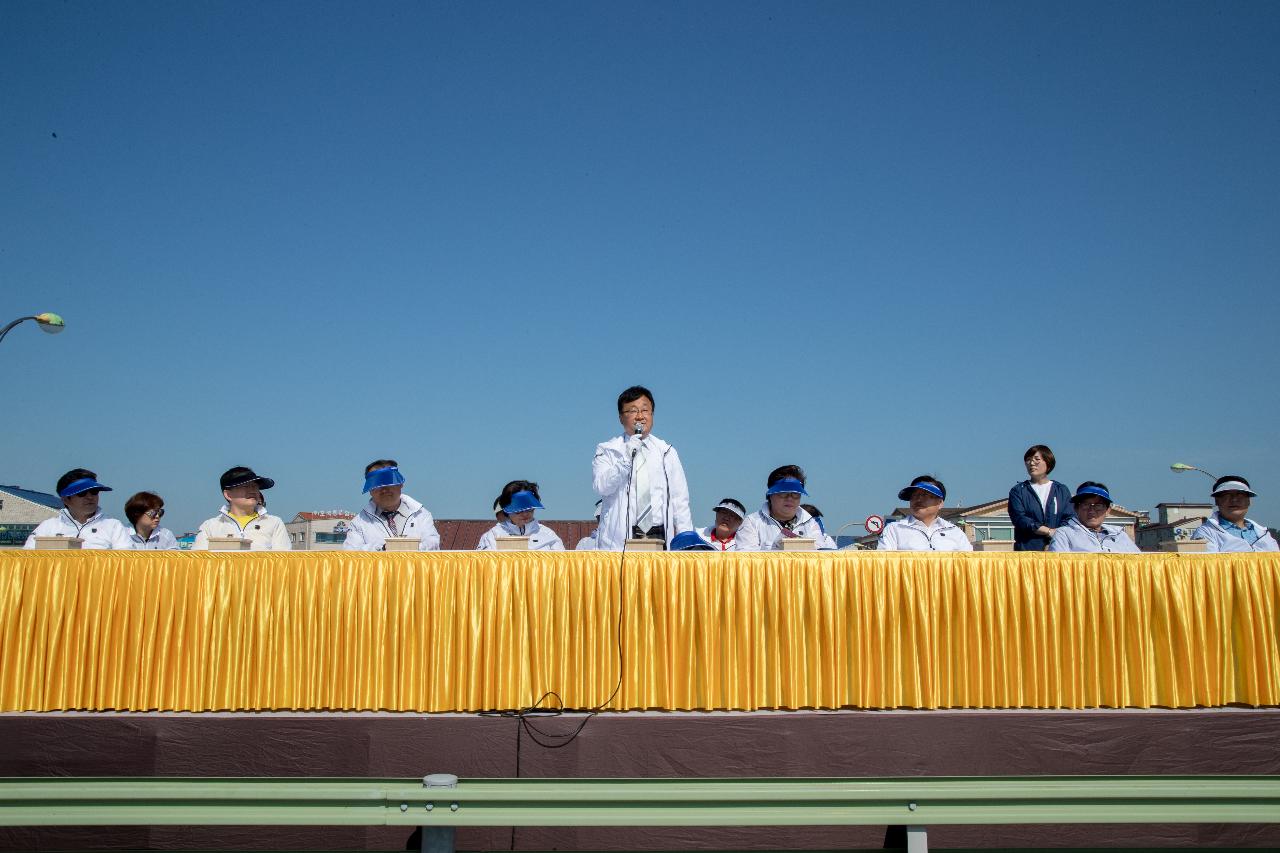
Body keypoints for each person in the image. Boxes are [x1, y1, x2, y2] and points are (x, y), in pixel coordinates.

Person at [592, 385, 693, 550]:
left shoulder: (666, 451)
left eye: (645, 410)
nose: (640, 416)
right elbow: (601, 486)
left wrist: (686, 540)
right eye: (632, 411)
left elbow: (680, 501)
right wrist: (627, 457)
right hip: (620, 539)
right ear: (620, 417)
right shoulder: (607, 449)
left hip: (658, 535)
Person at [343, 459, 441, 551]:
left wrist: (407, 549)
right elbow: (350, 553)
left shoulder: (421, 515)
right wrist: (383, 549)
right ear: (370, 490)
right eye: (377, 484)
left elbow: (433, 544)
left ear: (400, 484)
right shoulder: (359, 523)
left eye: (389, 482)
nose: (384, 489)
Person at [23, 468, 131, 549]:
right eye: (82, 493)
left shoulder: (113, 526)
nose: (90, 497)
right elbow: (28, 558)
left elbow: (126, 563)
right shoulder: (48, 527)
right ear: (65, 500)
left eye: (94, 492)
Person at [194, 466, 291, 551]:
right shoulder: (210, 527)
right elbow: (198, 563)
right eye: (245, 486)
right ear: (228, 494)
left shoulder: (274, 523)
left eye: (255, 486)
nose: (252, 490)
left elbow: (283, 562)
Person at [736, 465, 826, 551]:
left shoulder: (811, 524)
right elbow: (746, 559)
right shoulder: (752, 523)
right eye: (783, 492)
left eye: (795, 493)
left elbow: (821, 556)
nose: (790, 498)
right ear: (770, 495)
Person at [877, 476, 973, 552]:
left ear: (940, 503)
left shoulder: (954, 532)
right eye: (914, 495)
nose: (918, 499)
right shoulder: (894, 529)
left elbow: (970, 565)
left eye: (924, 495)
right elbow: (883, 565)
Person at [1008, 444, 1074, 551]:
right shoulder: (1018, 491)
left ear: (1048, 462)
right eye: (1028, 460)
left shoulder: (1061, 490)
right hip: (1028, 551)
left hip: (1058, 549)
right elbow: (1020, 518)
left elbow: (1070, 517)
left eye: (1036, 459)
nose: (1032, 463)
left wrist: (1056, 535)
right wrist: (1048, 531)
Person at [1192, 475, 1279, 552]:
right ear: (1217, 501)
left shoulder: (1264, 533)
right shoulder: (1205, 533)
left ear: (1249, 501)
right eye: (1227, 495)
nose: (1234, 500)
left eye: (1240, 495)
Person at [1048, 482, 1140, 553]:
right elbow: (1059, 568)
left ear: (1108, 510)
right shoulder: (1064, 534)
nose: (1091, 510)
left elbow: (1140, 564)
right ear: (1076, 508)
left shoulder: (1120, 535)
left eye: (1098, 505)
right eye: (1086, 505)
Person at [477, 480, 565, 551]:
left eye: (529, 509)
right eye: (518, 510)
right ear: (506, 509)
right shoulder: (493, 536)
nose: (525, 514)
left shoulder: (549, 535)